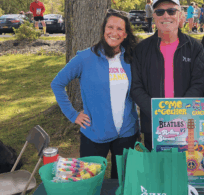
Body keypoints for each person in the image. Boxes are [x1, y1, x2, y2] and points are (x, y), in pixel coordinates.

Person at [50, 9, 139, 179]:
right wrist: (72, 114)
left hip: (127, 133)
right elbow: (57, 83)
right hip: (95, 133)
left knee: (123, 181)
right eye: (110, 27)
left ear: (126, 34)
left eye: (120, 29)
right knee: (90, 182)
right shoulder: (84, 58)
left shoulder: (131, 58)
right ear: (103, 29)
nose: (114, 32)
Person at [131, 0, 204, 152]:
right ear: (154, 16)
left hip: (185, 123)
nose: (166, 15)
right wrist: (158, 114)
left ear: (180, 15)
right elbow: (136, 86)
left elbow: (198, 83)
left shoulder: (195, 47)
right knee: (157, 172)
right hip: (153, 124)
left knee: (185, 172)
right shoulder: (141, 49)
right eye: (160, 12)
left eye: (171, 11)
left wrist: (179, 114)